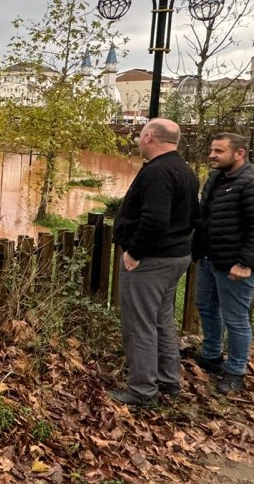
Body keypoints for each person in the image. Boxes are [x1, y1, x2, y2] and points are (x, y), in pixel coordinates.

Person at [108, 119, 201, 407]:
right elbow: (193, 217)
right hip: (175, 256)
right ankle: (167, 381)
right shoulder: (186, 170)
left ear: (148, 137)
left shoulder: (158, 173)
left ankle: (142, 391)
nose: (138, 139)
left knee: (140, 325)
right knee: (161, 320)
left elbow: (155, 220)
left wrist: (135, 252)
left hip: (151, 260)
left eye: (140, 135)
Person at [190, 132, 254, 394]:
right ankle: (211, 356)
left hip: (236, 265)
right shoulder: (217, 178)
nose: (212, 155)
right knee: (206, 306)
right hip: (211, 257)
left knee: (236, 318)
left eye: (219, 151)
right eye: (212, 150)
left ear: (239, 154)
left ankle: (235, 371)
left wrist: (245, 262)